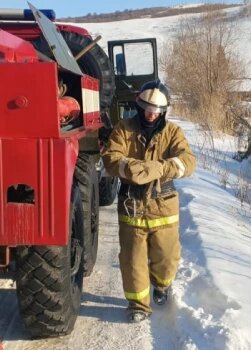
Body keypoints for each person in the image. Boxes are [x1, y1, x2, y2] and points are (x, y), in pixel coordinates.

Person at [102, 80, 197, 323]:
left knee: (166, 258)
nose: (150, 113)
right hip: (131, 205)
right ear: (139, 104)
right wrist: (135, 170)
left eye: (156, 109)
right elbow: (111, 159)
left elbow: (188, 161)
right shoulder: (124, 129)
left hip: (163, 203)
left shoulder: (173, 132)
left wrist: (159, 168)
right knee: (132, 259)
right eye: (146, 107)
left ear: (164, 111)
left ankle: (162, 285)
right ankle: (138, 305)